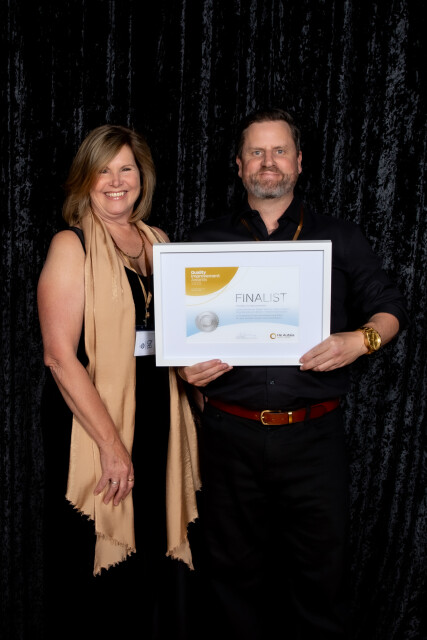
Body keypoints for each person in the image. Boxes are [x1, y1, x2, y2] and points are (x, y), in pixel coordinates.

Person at [179, 109, 408, 639]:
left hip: (314, 437)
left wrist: (361, 340)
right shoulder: (202, 241)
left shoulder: (339, 237)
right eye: (256, 152)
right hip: (229, 438)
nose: (268, 162)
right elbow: (175, 333)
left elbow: (390, 307)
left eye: (279, 150)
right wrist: (183, 365)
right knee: (230, 577)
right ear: (239, 165)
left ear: (299, 162)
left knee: (321, 579)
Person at [38, 125, 200, 639]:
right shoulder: (72, 244)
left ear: (141, 177)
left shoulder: (160, 243)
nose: (115, 180)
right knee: (101, 563)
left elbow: (178, 338)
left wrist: (200, 372)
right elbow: (59, 357)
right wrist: (111, 447)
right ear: (84, 179)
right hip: (94, 425)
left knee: (151, 550)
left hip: (158, 418)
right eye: (103, 170)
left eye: (126, 168)